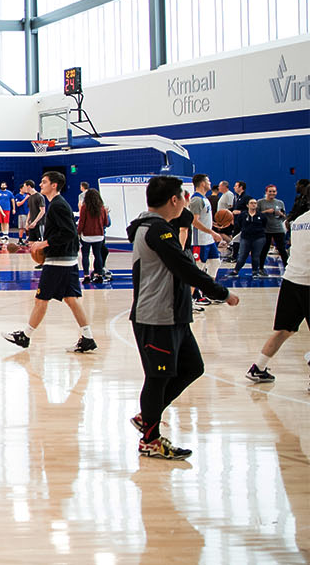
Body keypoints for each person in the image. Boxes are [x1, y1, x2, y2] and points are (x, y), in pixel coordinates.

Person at [127, 175, 238, 459]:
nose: (187, 203)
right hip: (156, 316)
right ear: (174, 200)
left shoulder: (160, 224)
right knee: (158, 377)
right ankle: (150, 440)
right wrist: (222, 293)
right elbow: (185, 268)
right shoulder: (156, 231)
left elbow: (185, 216)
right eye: (182, 197)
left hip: (174, 314)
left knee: (193, 367)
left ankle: (148, 417)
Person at [3, 172, 96, 353]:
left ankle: (25, 336)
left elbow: (69, 233)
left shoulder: (57, 205)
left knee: (41, 299)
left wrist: (44, 243)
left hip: (58, 261)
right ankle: (88, 337)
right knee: (71, 300)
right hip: (66, 260)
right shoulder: (57, 204)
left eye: (44, 182)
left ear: (54, 185)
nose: (41, 184)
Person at [244, 203, 310, 386]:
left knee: (283, 330)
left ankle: (258, 367)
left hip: (291, 280)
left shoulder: (299, 221)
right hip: (307, 282)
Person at [185, 175, 227, 299]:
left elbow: (203, 219)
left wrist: (215, 225)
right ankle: (192, 298)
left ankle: (209, 292)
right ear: (202, 183)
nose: (210, 183)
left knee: (215, 263)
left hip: (208, 240)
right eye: (208, 181)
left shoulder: (205, 199)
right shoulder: (196, 199)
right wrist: (212, 233)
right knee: (198, 269)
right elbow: (194, 221)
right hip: (199, 241)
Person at [78, 188, 110, 285]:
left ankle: (86, 276)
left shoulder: (84, 207)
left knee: (85, 256)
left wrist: (78, 232)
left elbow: (82, 222)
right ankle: (99, 275)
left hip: (86, 235)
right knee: (98, 255)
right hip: (99, 235)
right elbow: (106, 223)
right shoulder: (102, 208)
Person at [232, 200, 268, 277]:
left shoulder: (261, 216)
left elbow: (264, 225)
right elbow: (239, 224)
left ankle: (255, 272)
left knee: (255, 256)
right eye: (251, 203)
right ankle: (236, 270)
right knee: (242, 255)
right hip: (246, 237)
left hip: (258, 238)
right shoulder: (243, 215)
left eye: (255, 203)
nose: (253, 205)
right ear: (247, 205)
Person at [259, 184, 290, 272]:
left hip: (278, 229)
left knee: (282, 249)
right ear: (266, 192)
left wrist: (280, 214)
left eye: (273, 191)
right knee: (264, 249)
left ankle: (287, 267)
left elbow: (284, 216)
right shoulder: (261, 202)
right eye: (270, 191)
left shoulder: (280, 203)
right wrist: (266, 211)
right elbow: (256, 214)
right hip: (266, 229)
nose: (272, 193)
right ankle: (261, 268)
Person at [22, 181, 46, 245]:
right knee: (31, 243)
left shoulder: (39, 196)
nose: (23, 188)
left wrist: (35, 222)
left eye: (24, 186)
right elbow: (30, 210)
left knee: (40, 243)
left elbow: (42, 211)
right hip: (32, 224)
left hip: (39, 224)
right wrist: (27, 222)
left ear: (29, 186)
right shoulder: (30, 197)